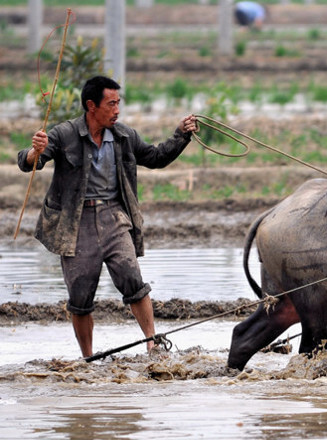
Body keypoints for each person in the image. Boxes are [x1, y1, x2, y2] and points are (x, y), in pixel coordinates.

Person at [17, 75, 198, 358]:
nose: (117, 110)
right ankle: (88, 356)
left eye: (118, 103)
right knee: (80, 296)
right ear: (91, 106)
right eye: (111, 104)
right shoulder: (64, 134)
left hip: (114, 217)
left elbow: (156, 157)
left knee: (132, 279)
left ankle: (153, 344)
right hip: (75, 223)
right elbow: (30, 162)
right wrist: (34, 151)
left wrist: (181, 134)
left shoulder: (125, 136)